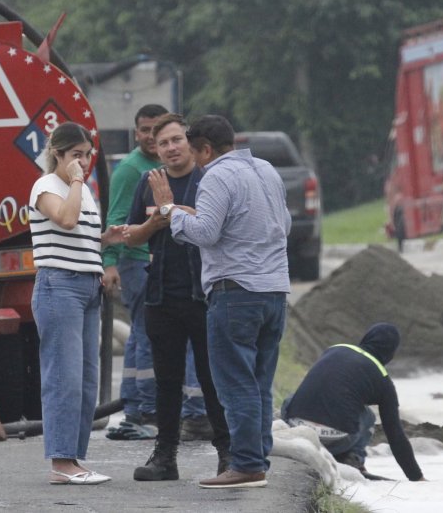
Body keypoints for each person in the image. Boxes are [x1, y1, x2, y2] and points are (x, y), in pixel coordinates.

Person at [165, 115, 291, 489]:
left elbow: (205, 232)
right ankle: (257, 458)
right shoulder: (266, 170)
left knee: (235, 384)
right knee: (259, 383)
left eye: (193, 151)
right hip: (274, 290)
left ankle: (247, 464)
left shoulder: (216, 176)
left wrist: (171, 213)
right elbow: (282, 224)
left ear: (205, 148)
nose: (192, 160)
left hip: (235, 291)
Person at [119, 114, 231, 481]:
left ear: (191, 142)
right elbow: (131, 236)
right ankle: (165, 457)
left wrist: (171, 208)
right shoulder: (148, 182)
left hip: (204, 295)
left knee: (211, 378)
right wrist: (155, 220)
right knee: (166, 381)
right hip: (161, 294)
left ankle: (228, 455)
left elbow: (218, 227)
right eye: (162, 142)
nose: (169, 148)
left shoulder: (209, 179)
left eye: (176, 140)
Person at [29, 122, 126, 485]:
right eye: (75, 155)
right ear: (57, 153)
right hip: (59, 287)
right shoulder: (47, 186)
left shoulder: (82, 190)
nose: (82, 163)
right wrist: (74, 180)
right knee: (63, 378)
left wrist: (105, 238)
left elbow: (77, 238)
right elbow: (65, 220)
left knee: (86, 380)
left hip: (87, 286)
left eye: (86, 156)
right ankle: (61, 462)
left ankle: (74, 458)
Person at [281, 323, 425, 482]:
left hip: (297, 427)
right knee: (368, 416)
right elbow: (395, 434)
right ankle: (353, 460)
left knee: (291, 398)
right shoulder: (382, 379)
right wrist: (416, 477)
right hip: (335, 441)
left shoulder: (334, 349)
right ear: (391, 352)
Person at [103, 104, 164, 440]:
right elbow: (115, 218)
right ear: (135, 132)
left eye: (157, 129)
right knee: (145, 333)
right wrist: (109, 262)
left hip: (157, 261)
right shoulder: (131, 170)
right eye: (144, 130)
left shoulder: (166, 164)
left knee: (145, 334)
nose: (151, 136)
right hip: (135, 260)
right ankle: (142, 409)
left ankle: (135, 403)